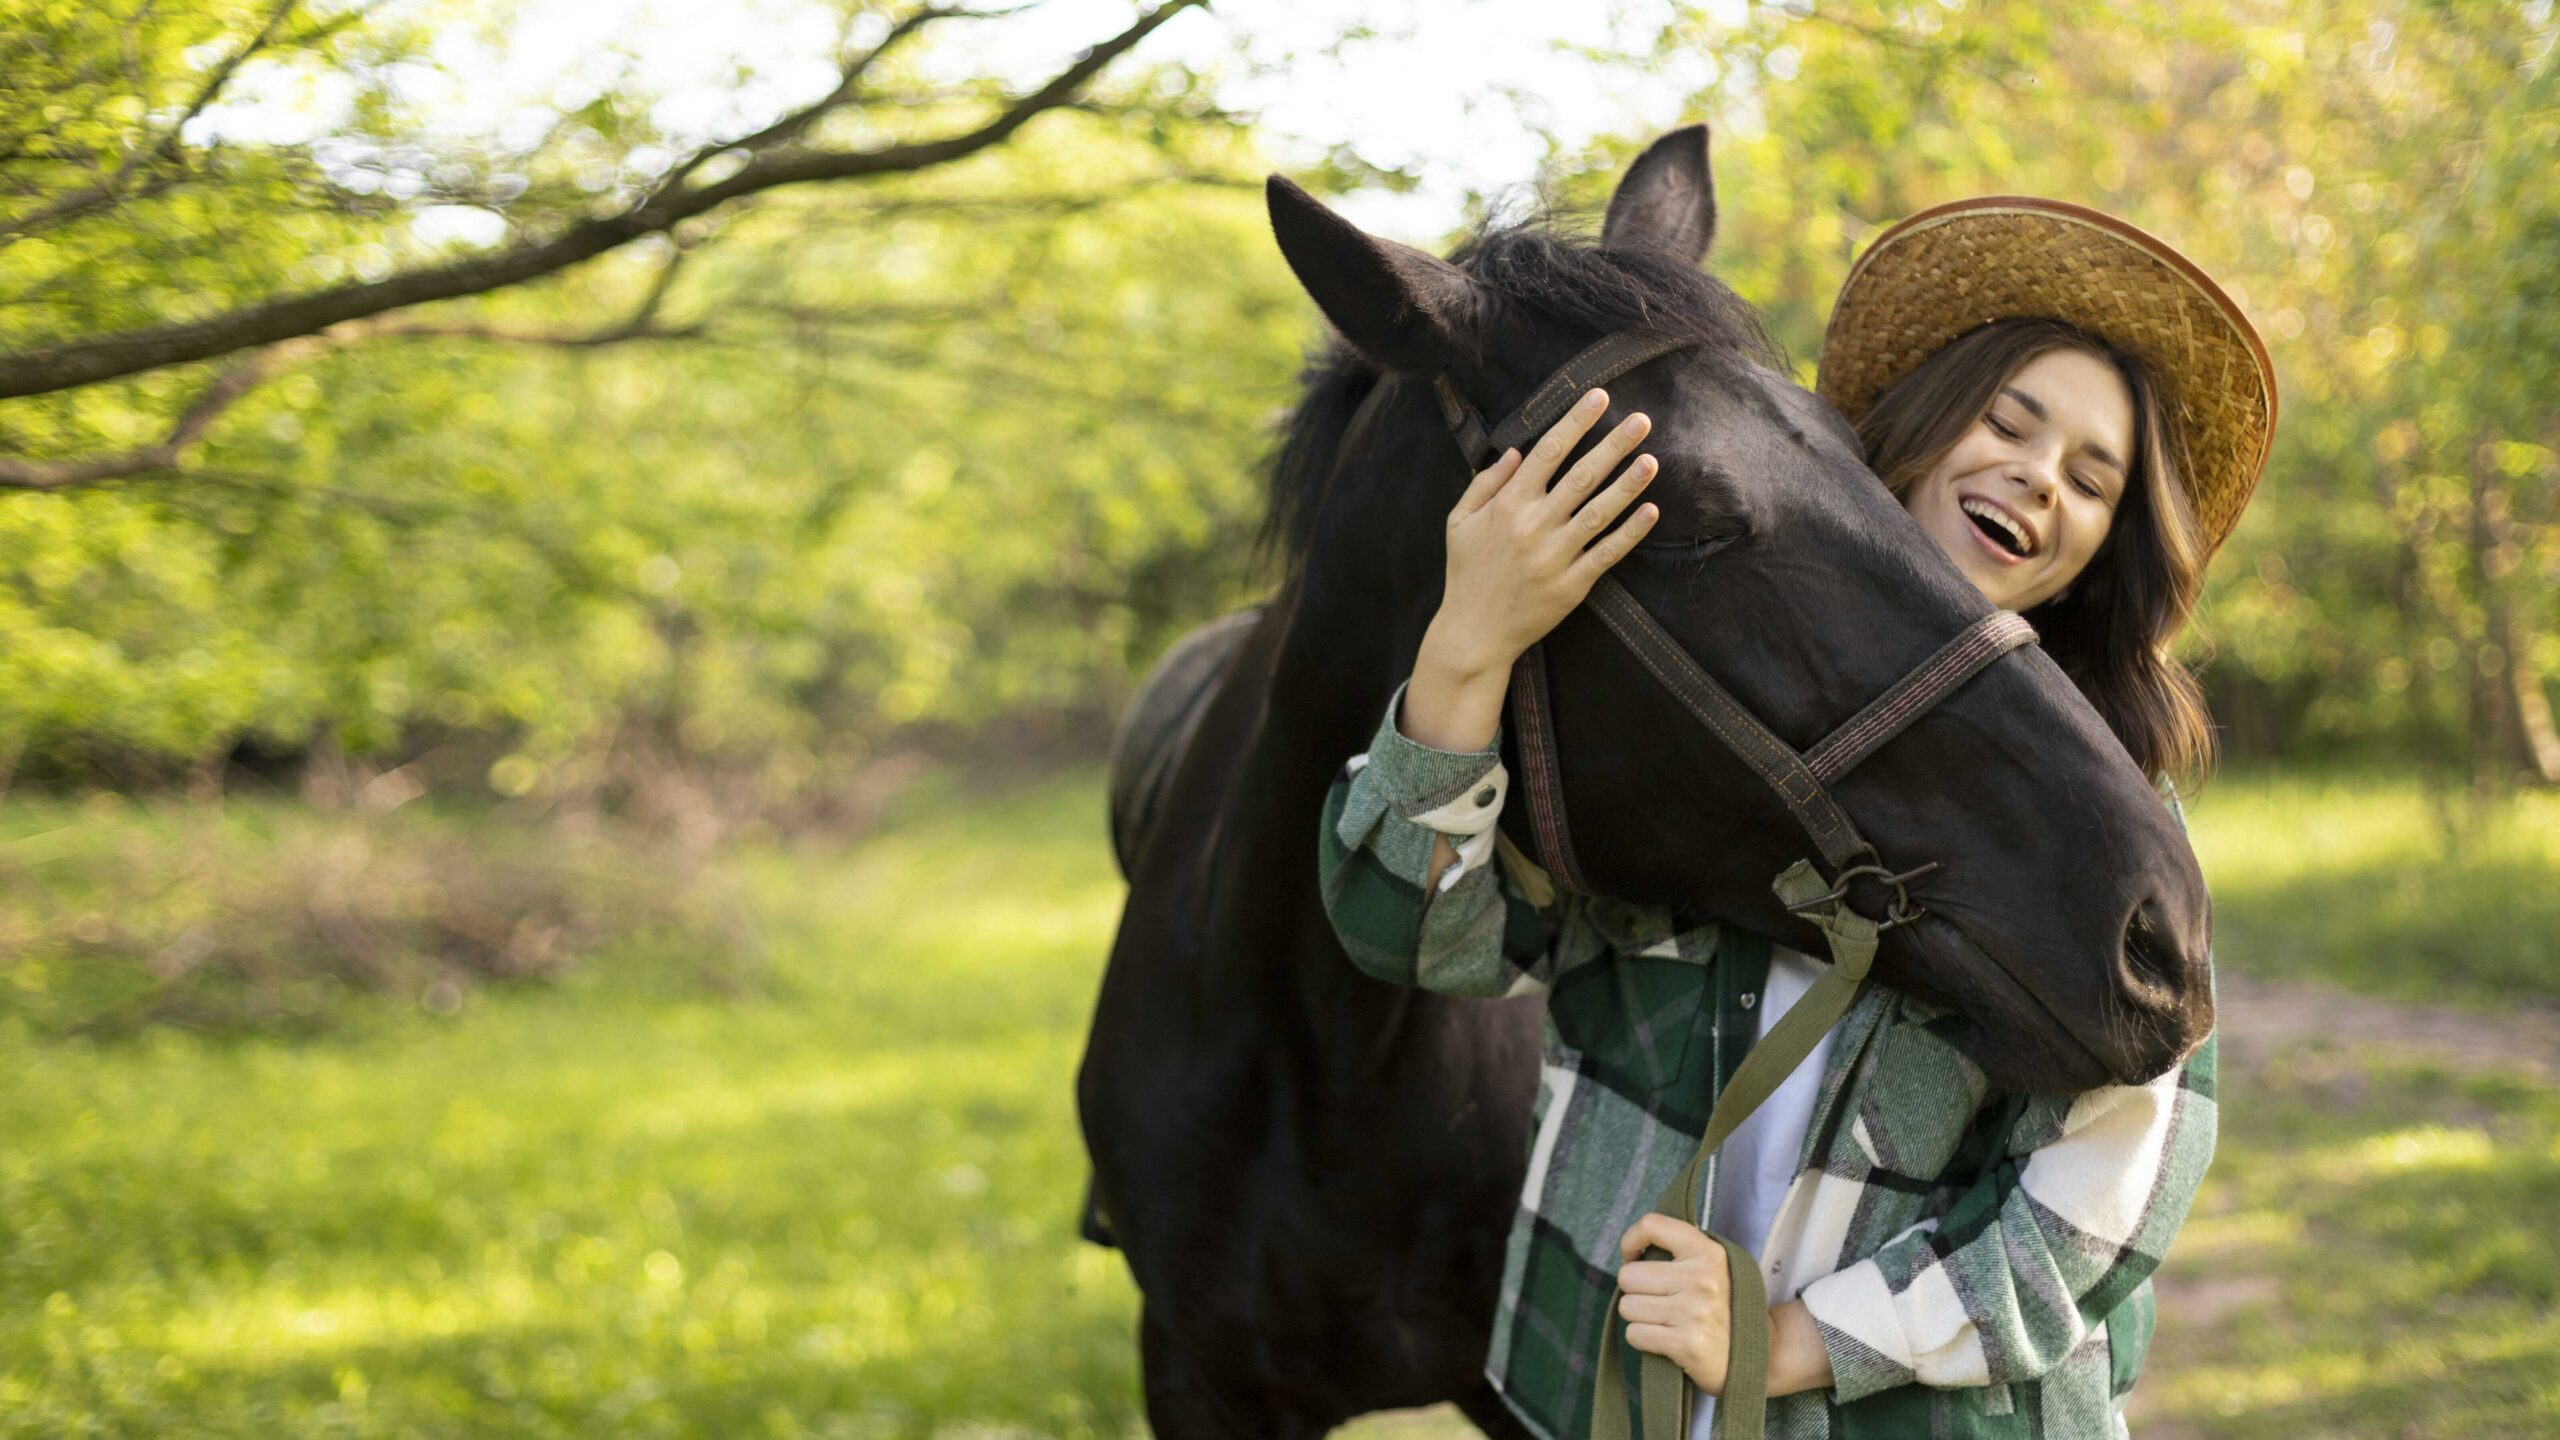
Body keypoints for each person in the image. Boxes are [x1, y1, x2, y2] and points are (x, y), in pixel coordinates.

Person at [1318, 197, 2277, 1440]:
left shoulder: (2102, 819)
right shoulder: (1708, 715)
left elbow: (2099, 1203)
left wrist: (1787, 1343)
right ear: (1923, 431)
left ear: (2103, 545)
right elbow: (1433, 941)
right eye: (2008, 422)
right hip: (1607, 1397)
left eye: (2091, 481)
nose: (2040, 475)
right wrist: (1468, 649)